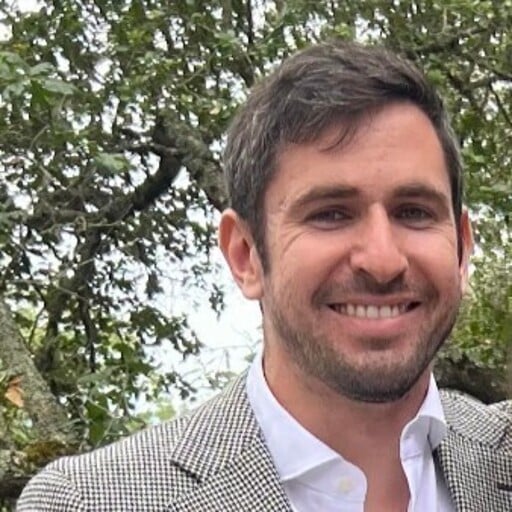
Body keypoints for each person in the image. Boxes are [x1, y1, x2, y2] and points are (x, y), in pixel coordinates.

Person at [17, 41, 512, 512]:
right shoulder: (93, 500)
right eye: (331, 214)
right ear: (245, 255)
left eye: (414, 212)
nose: (382, 261)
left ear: (462, 247)